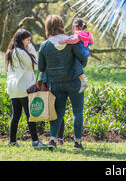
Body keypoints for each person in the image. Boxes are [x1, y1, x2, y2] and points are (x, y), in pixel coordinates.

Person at [38, 15, 88, 150]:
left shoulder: (44, 46)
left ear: (47, 27)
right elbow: (83, 59)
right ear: (61, 25)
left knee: (58, 112)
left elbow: (41, 68)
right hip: (73, 81)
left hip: (55, 83)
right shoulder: (71, 42)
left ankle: (53, 140)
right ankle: (77, 142)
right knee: (77, 112)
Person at [5, 29, 46, 149]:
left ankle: (12, 141)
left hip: (13, 88)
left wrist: (28, 46)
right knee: (30, 115)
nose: (28, 42)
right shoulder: (21, 52)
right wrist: (31, 48)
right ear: (21, 40)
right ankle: (35, 141)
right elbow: (34, 65)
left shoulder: (10, 51)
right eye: (27, 40)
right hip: (23, 87)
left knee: (16, 115)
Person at [59, 18, 93, 93]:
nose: (73, 29)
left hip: (80, 52)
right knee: (78, 66)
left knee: (75, 63)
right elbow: (90, 42)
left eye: (73, 27)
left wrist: (64, 41)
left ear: (76, 27)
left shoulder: (77, 33)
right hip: (86, 53)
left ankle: (83, 82)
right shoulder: (86, 33)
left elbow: (74, 41)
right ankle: (82, 81)